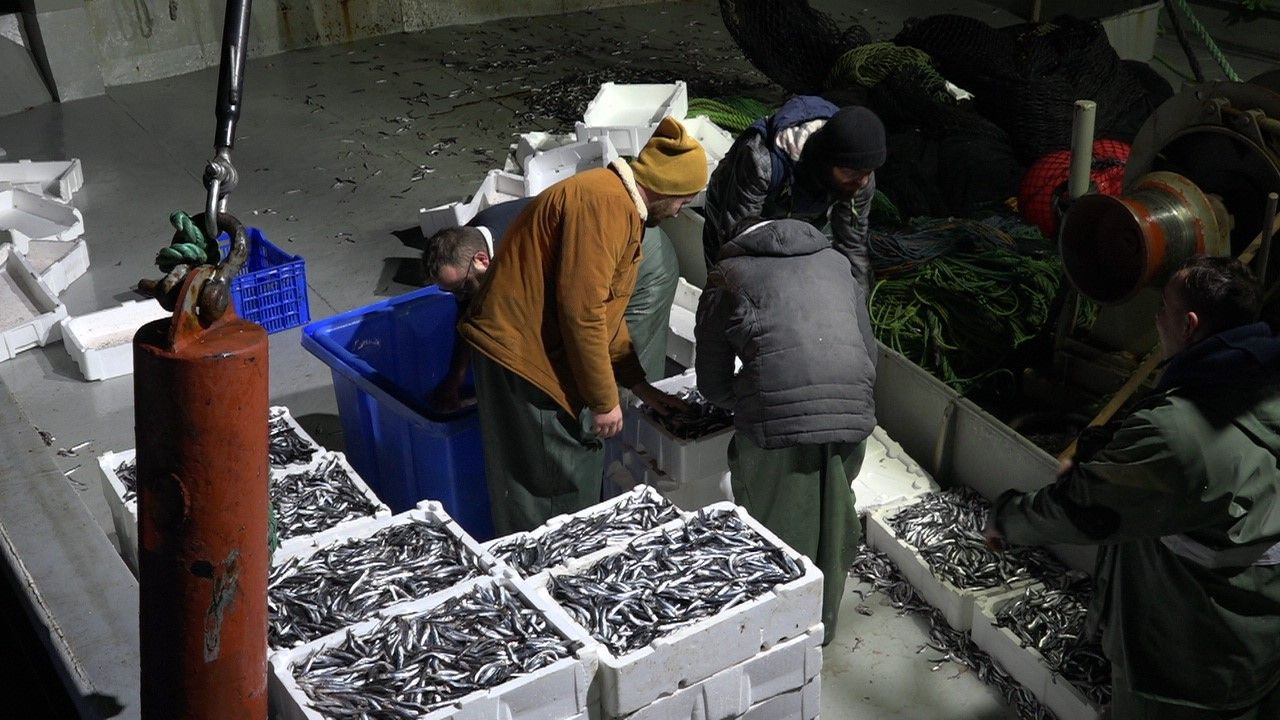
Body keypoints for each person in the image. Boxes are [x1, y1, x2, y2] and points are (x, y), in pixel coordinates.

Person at [984, 256, 1280, 719]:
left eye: (1163, 307)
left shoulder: (1181, 430)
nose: (1156, 318)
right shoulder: (1259, 384)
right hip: (1254, 641)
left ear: (1189, 323)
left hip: (1185, 667)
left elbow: (1083, 510)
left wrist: (1004, 518)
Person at [459, 117, 706, 535]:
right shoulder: (605, 206)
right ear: (665, 188)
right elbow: (583, 312)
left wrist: (638, 384)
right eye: (684, 199)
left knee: (548, 480)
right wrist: (604, 399)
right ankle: (545, 583)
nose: (682, 209)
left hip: (527, 346)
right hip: (523, 357)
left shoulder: (619, 205)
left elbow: (607, 311)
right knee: (553, 490)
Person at [694, 217, 878, 645]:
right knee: (833, 522)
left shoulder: (728, 274)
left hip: (777, 422)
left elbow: (712, 380)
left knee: (778, 530)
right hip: (853, 410)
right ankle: (822, 630)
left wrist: (745, 399)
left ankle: (782, 640)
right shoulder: (836, 263)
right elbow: (869, 350)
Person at [423, 197, 680, 412]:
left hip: (639, 257)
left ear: (481, 260)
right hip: (585, 262)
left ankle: (631, 446)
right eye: (451, 291)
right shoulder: (464, 245)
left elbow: (576, 321)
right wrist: (454, 379)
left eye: (462, 288)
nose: (460, 296)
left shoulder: (521, 259)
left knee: (619, 376)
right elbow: (469, 316)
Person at [702, 96, 886, 295]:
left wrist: (858, 308)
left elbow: (852, 245)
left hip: (804, 211)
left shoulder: (858, 176)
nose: (863, 182)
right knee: (728, 280)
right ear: (826, 161)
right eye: (852, 174)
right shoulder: (761, 160)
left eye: (868, 173)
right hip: (735, 206)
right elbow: (737, 241)